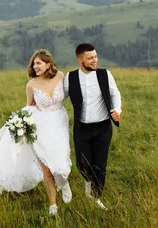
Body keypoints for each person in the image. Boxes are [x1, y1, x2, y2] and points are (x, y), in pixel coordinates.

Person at [0, 49, 72, 216]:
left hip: (59, 123)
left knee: (62, 165)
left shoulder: (60, 76)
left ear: (48, 64)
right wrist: (22, 124)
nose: (34, 66)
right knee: (47, 168)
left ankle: (63, 182)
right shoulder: (31, 84)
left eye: (38, 63)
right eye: (33, 64)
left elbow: (69, 94)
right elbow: (29, 106)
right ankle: (53, 204)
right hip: (40, 126)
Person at [63, 43, 122, 211]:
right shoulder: (70, 77)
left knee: (100, 165)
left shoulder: (105, 74)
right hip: (82, 129)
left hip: (103, 127)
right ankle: (87, 181)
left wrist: (117, 110)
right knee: (82, 164)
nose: (95, 60)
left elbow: (115, 93)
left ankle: (97, 198)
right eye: (90, 58)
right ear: (79, 59)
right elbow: (60, 98)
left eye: (95, 56)